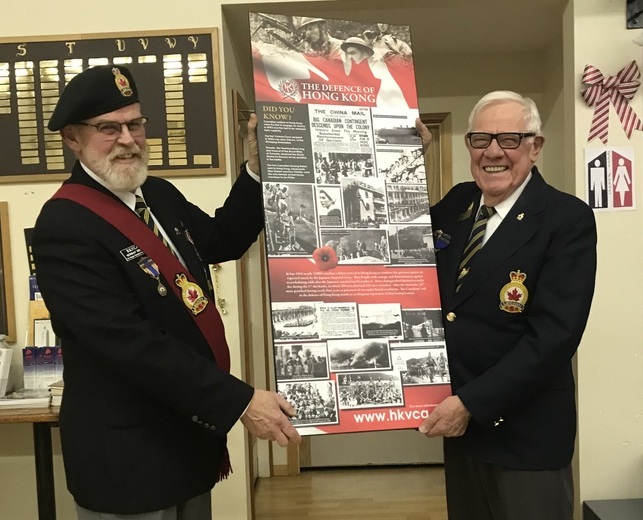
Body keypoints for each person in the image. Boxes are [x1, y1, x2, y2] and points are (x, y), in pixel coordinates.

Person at [31, 64, 301, 519]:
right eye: (108, 128)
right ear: (73, 138)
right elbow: (128, 343)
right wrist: (238, 401)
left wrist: (255, 169)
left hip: (187, 440)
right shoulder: (64, 226)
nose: (127, 139)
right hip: (129, 459)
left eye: (135, 124)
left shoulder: (156, 193)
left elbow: (222, 240)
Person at [415, 91, 597, 520]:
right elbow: (397, 244)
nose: (493, 151)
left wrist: (470, 404)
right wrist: (401, 159)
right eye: (481, 139)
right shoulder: (458, 203)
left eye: (510, 139)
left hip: (525, 432)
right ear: (468, 147)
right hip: (462, 431)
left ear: (535, 147)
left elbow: (554, 337)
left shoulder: (564, 218)